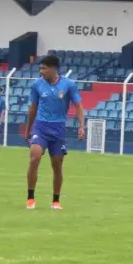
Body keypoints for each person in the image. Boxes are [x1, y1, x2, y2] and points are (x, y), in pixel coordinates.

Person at [25, 55, 84, 210]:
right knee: (34, 157)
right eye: (40, 68)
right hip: (41, 127)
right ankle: (30, 198)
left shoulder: (69, 85)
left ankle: (56, 201)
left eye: (44, 68)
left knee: (57, 165)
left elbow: (78, 106)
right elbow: (32, 108)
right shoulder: (37, 85)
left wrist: (81, 126)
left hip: (58, 129)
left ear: (53, 68)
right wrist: (28, 129)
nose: (41, 71)